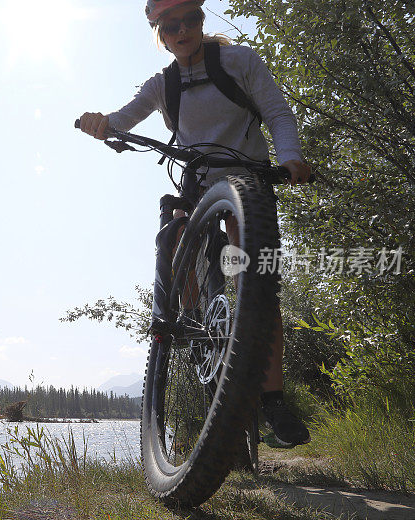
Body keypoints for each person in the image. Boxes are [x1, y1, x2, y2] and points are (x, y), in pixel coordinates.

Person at [79, 0, 311, 447]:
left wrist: (290, 157)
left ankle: (273, 404)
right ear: (159, 34)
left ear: (201, 23)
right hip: (198, 181)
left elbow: (278, 112)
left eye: (192, 20)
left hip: (250, 179)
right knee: (174, 232)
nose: (183, 31)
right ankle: (183, 317)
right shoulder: (161, 84)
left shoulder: (238, 61)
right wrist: (100, 123)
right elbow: (122, 119)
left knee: (260, 283)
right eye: (171, 25)